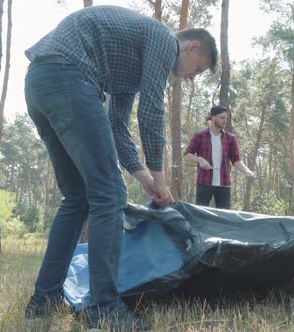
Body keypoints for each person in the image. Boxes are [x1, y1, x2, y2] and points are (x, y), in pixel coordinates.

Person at [23, 5, 218, 329]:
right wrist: (162, 179)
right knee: (109, 195)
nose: (191, 77)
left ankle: (43, 299)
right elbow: (152, 112)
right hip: (69, 77)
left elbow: (117, 127)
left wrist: (144, 179)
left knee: (78, 197)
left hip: (39, 83)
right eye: (197, 69)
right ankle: (104, 307)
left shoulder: (127, 68)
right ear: (191, 47)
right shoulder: (163, 40)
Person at [183, 105, 255, 209]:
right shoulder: (200, 136)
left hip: (224, 184)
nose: (225, 120)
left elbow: (236, 160)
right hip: (204, 183)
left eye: (226, 118)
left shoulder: (230, 138)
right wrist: (200, 159)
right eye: (222, 118)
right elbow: (187, 155)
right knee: (201, 215)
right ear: (213, 118)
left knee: (225, 217)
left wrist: (247, 171)